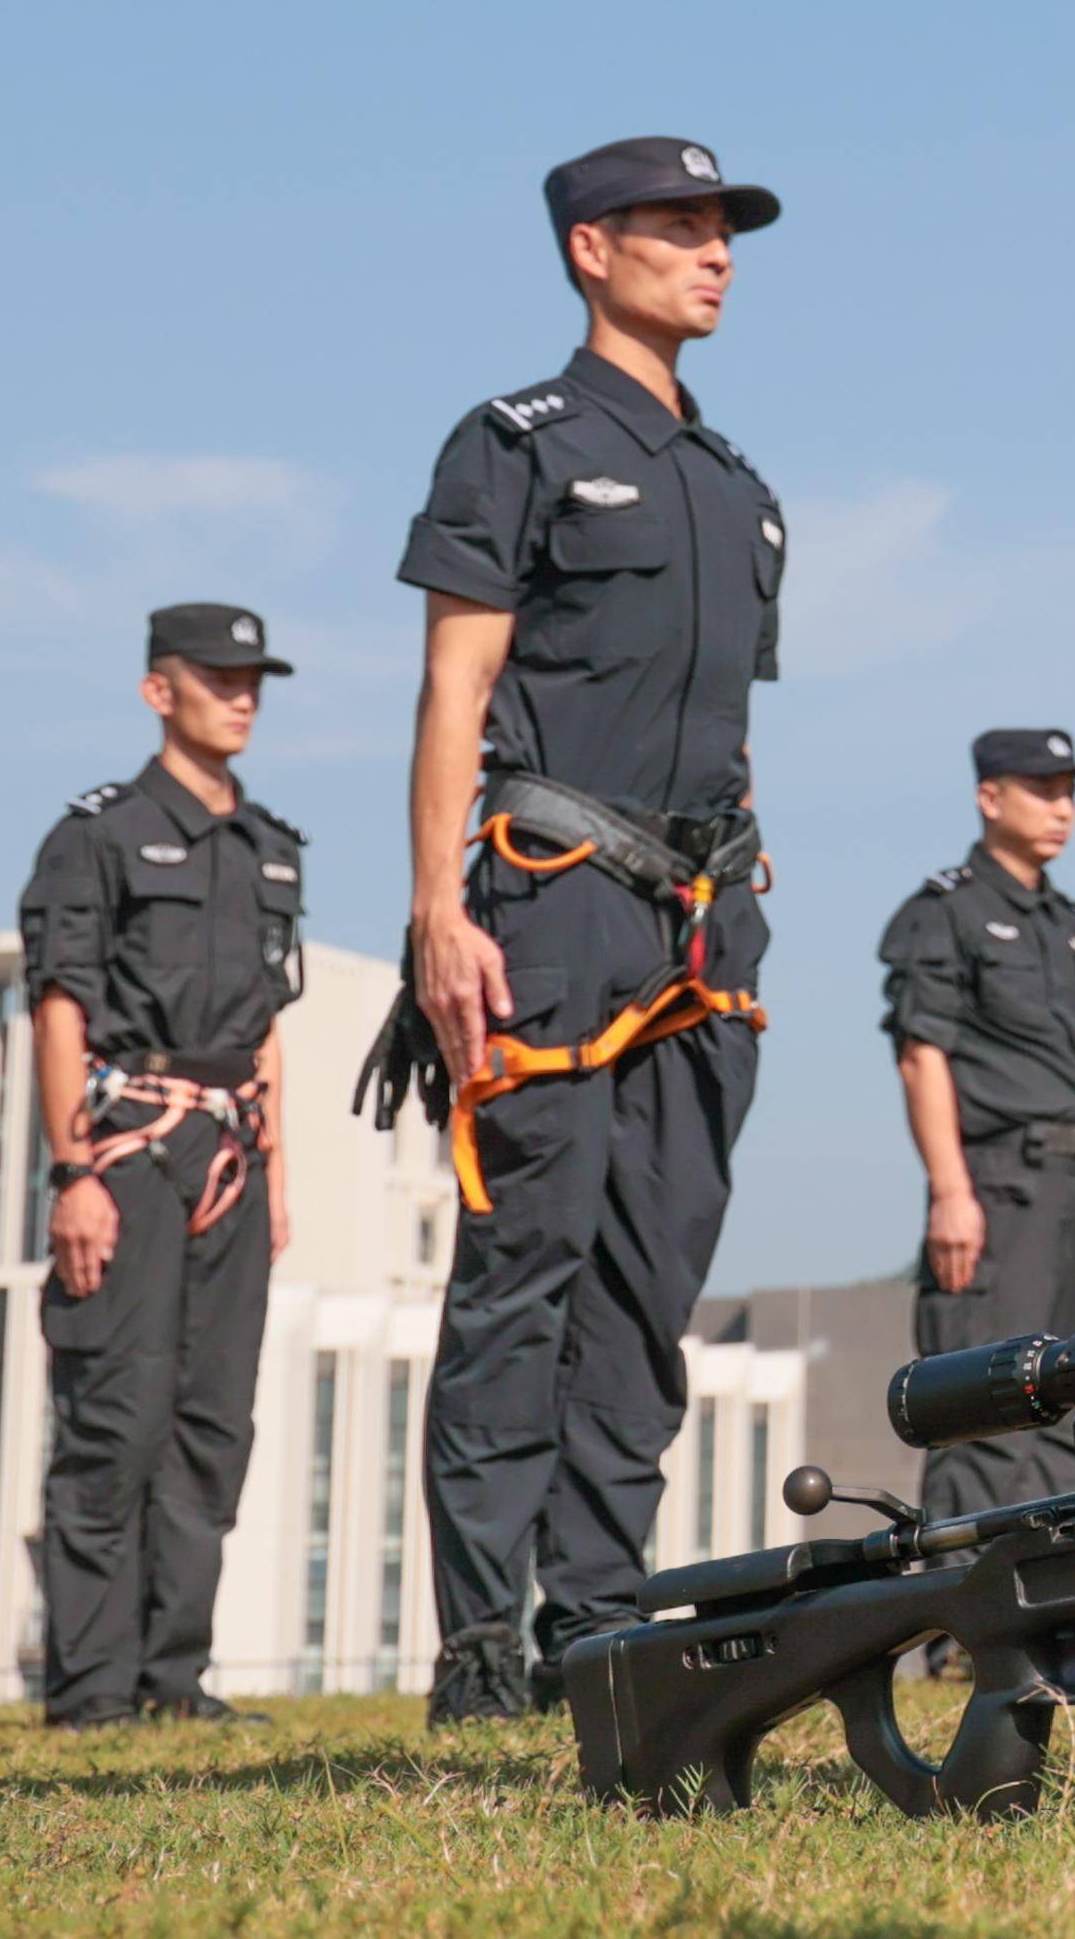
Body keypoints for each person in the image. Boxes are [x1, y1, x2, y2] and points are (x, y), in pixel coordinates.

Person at [385, 138, 787, 1723]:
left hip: (703, 928)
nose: (716, 253)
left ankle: (600, 1620)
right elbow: (453, 692)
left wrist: (755, 869)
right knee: (522, 1270)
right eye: (682, 229)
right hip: (545, 905)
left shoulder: (741, 487)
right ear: (587, 248)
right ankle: (486, 1643)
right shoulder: (518, 442)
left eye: (724, 231)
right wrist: (437, 911)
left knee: (648, 1279)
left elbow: (725, 723)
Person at [21, 606, 307, 1728]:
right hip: (128, 1147)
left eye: (254, 680)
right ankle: (90, 1693)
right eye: (219, 678)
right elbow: (59, 1008)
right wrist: (70, 1174)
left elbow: (271, 1027)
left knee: (210, 1423)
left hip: (235, 1151)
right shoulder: (94, 834)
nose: (242, 696)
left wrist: (280, 1177)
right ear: (159, 692)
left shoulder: (273, 845)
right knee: (115, 1415)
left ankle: (173, 1680)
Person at [879, 730, 1075, 1525]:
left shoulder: (1069, 921)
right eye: (1042, 789)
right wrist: (951, 1192)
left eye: (1070, 791)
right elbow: (923, 1057)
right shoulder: (945, 911)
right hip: (997, 1184)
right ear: (991, 797)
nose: (1063, 808)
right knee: (985, 1403)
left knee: (1073, 1399)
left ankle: (1048, 1619)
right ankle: (961, 1632)